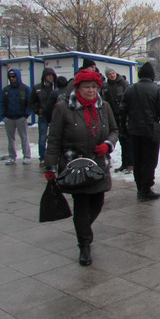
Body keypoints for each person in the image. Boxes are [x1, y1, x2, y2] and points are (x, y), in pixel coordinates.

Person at [43, 69, 119, 266]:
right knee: (82, 204)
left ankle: (84, 228)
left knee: (98, 203)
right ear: (77, 88)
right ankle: (84, 244)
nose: (91, 90)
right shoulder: (63, 109)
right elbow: (54, 139)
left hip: (98, 164)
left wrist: (109, 144)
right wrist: (50, 166)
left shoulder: (105, 107)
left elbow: (114, 130)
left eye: (94, 87)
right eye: (87, 87)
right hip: (74, 166)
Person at [120, 62, 160, 201]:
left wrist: (123, 129)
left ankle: (140, 187)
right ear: (152, 76)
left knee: (138, 159)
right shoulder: (156, 90)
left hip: (135, 130)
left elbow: (122, 110)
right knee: (150, 160)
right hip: (151, 130)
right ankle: (146, 189)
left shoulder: (130, 89)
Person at [103, 67, 133, 174]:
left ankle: (130, 163)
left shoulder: (123, 84)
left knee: (128, 140)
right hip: (114, 116)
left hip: (125, 116)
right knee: (121, 140)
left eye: (113, 73)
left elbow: (129, 98)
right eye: (109, 74)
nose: (112, 75)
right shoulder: (106, 87)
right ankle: (124, 163)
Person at [0, 68, 32, 165]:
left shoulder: (25, 89)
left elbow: (29, 102)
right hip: (9, 117)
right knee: (10, 139)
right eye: (10, 77)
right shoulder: (6, 90)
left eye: (14, 76)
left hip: (20, 117)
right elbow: (2, 102)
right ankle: (12, 156)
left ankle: (26, 156)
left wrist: (26, 114)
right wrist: (3, 115)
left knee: (24, 137)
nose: (12, 78)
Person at [29, 68, 58, 166]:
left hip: (54, 115)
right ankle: (42, 158)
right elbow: (32, 102)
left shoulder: (55, 88)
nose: (51, 77)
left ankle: (54, 157)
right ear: (44, 76)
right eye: (49, 75)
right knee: (42, 137)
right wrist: (37, 110)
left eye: (52, 75)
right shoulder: (37, 88)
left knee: (54, 137)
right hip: (43, 116)